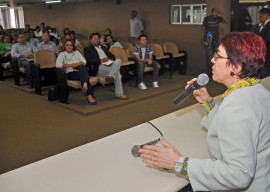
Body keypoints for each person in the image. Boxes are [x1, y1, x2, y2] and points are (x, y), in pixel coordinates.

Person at [139, 32, 270, 192]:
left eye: (218, 56)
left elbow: (238, 174)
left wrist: (179, 163)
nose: (212, 60)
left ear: (235, 67)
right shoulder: (257, 90)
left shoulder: (237, 106)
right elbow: (235, 127)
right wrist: (207, 102)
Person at [84, 32, 128, 100]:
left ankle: (111, 76)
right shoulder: (88, 49)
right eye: (94, 38)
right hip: (98, 67)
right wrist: (101, 60)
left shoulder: (103, 47)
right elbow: (88, 60)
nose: (96, 40)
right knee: (118, 74)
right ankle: (119, 94)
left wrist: (109, 59)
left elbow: (113, 56)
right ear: (90, 40)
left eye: (97, 38)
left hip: (109, 65)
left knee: (118, 60)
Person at [56, 39, 96, 105]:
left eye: (71, 45)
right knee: (85, 74)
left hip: (80, 71)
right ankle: (89, 95)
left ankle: (85, 85)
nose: (69, 47)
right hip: (70, 73)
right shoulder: (62, 54)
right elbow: (58, 65)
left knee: (82, 67)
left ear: (73, 46)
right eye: (67, 45)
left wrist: (76, 64)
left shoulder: (76, 52)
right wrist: (70, 65)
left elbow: (84, 61)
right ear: (65, 46)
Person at [201, 7, 228, 79]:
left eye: (217, 12)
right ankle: (209, 75)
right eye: (215, 12)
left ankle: (217, 74)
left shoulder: (218, 18)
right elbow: (203, 29)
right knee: (209, 57)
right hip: (208, 39)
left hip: (216, 40)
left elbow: (226, 20)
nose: (216, 13)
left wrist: (221, 12)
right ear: (212, 12)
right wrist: (202, 39)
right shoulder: (207, 18)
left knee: (218, 57)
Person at [258, 8, 270, 79]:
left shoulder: (268, 25)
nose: (260, 18)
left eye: (261, 16)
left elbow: (267, 40)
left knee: (265, 78)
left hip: (267, 57)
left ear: (266, 15)